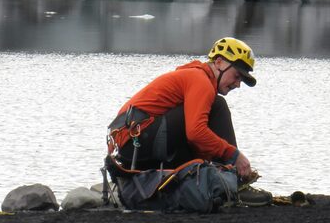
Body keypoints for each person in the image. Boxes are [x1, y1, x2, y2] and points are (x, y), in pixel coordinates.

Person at [106, 37, 260, 187]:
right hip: (135, 143)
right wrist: (234, 155)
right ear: (219, 62)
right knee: (217, 106)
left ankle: (221, 179)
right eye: (237, 76)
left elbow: (196, 137)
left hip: (129, 147)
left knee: (203, 123)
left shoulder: (195, 76)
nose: (238, 84)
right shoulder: (200, 81)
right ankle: (234, 179)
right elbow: (196, 133)